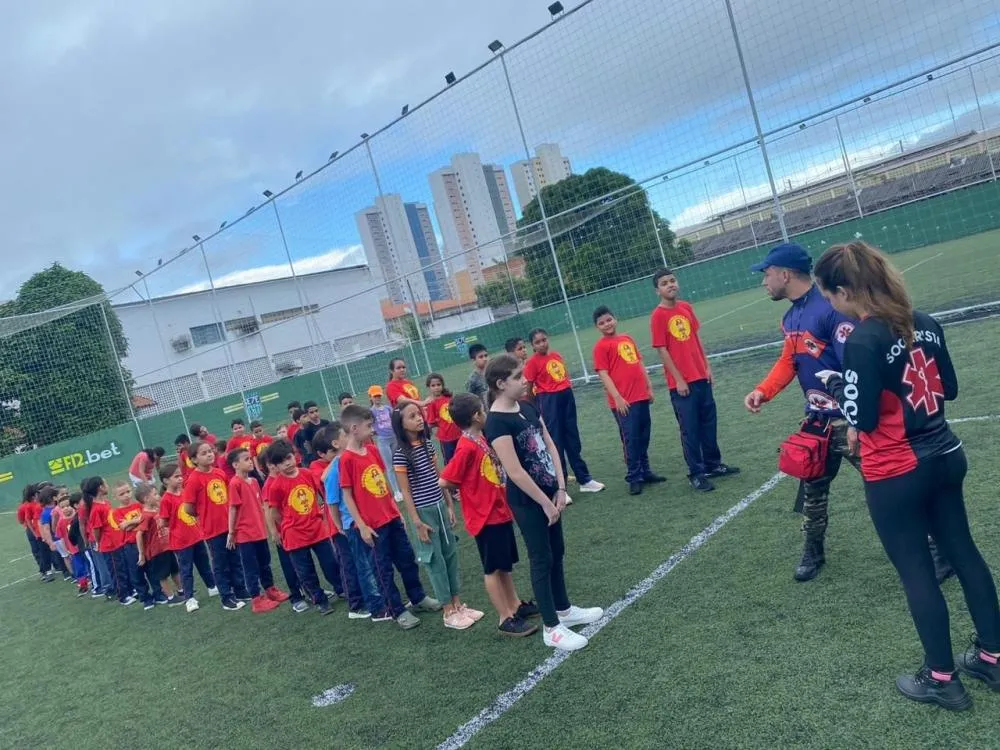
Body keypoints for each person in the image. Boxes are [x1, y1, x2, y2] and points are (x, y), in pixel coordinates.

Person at [813, 241, 1000, 710]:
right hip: (945, 452)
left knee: (917, 572)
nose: (830, 305)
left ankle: (942, 679)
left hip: (898, 468)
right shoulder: (927, 322)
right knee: (965, 554)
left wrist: (836, 386)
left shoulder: (862, 337)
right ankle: (992, 658)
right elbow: (949, 388)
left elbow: (863, 417)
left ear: (844, 290)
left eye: (829, 296)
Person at [744, 243, 896, 582]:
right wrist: (762, 391)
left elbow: (854, 364)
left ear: (785, 274)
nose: (763, 282)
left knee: (886, 484)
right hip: (816, 422)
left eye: (766, 274)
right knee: (813, 491)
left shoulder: (829, 309)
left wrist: (857, 420)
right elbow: (790, 360)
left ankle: (933, 547)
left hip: (849, 420)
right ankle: (813, 550)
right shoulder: (790, 316)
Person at [484, 353, 604, 651]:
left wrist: (561, 488)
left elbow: (549, 444)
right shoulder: (496, 422)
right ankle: (552, 627)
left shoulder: (526, 406)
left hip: (552, 493)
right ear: (501, 383)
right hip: (528, 501)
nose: (525, 380)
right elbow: (514, 471)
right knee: (542, 558)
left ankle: (564, 609)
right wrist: (545, 503)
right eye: (518, 377)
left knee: (557, 551)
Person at [440, 393, 539, 637]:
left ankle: (515, 605)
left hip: (499, 511)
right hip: (484, 517)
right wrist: (468, 495)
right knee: (493, 569)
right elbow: (445, 480)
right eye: (482, 410)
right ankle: (504, 617)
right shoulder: (465, 447)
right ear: (476, 416)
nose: (485, 413)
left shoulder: (479, 439)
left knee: (504, 565)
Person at [339, 404, 441, 629]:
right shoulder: (346, 460)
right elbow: (347, 496)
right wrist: (362, 525)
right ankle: (397, 610)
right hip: (373, 527)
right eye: (368, 426)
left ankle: (418, 597)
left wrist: (395, 510)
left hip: (391, 518)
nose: (373, 429)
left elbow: (382, 484)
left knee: (407, 559)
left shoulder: (373, 450)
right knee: (382, 569)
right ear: (354, 429)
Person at [393, 402, 481, 630]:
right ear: (400, 424)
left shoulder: (427, 445)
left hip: (440, 505)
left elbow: (438, 476)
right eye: (411, 416)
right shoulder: (401, 454)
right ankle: (447, 611)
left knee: (450, 554)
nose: (419, 419)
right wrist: (416, 521)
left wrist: (450, 504)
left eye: (419, 414)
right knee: (435, 561)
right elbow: (405, 491)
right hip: (423, 512)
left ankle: (458, 604)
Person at [650, 268, 740, 492]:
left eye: (672, 280)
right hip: (682, 385)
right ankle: (696, 473)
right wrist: (679, 379)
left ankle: (713, 465)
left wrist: (707, 366)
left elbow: (696, 338)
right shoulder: (658, 316)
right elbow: (662, 350)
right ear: (657, 290)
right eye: (664, 283)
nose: (670, 285)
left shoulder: (686, 307)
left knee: (709, 423)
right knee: (690, 429)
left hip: (701, 377)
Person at [592, 305, 665, 495]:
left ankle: (645, 471)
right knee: (630, 438)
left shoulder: (627, 339)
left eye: (609, 320)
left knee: (643, 434)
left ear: (615, 319)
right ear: (597, 327)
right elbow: (603, 374)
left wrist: (648, 387)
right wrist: (618, 398)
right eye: (601, 323)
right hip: (624, 402)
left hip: (641, 395)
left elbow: (639, 363)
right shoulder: (600, 347)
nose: (607, 324)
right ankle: (634, 476)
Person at [264, 439, 342, 616]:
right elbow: (274, 511)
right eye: (282, 462)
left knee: (330, 562)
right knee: (306, 571)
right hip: (294, 535)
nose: (288, 463)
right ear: (275, 466)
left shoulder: (307, 473)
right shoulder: (275, 486)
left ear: (295, 456)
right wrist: (288, 523)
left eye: (289, 458)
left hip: (317, 529)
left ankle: (341, 588)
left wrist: (319, 511)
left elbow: (320, 493)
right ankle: (320, 600)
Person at [523, 329, 604, 494]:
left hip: (567, 397)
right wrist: (535, 408)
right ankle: (561, 488)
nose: (542, 344)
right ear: (532, 346)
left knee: (573, 439)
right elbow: (529, 389)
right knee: (556, 442)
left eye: (544, 339)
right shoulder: (532, 363)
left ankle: (584, 479)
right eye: (537, 342)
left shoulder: (556, 356)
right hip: (548, 401)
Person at [313, 426, 372, 620]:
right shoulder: (321, 465)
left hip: (353, 522)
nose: (349, 437)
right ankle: (355, 604)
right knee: (349, 564)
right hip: (339, 526)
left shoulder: (346, 459)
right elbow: (323, 479)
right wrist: (339, 456)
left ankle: (370, 596)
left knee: (364, 561)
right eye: (344, 435)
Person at [183, 440, 247, 611]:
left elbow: (228, 495)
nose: (209, 454)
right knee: (220, 564)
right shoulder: (193, 480)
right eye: (203, 453)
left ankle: (240, 590)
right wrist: (204, 514)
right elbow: (188, 507)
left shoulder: (219, 473)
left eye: (210, 451)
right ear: (194, 460)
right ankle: (226, 597)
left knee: (235, 559)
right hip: (212, 530)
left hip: (229, 525)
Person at [227, 448, 287, 613]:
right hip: (245, 534)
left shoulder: (253, 481)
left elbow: (261, 506)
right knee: (250, 566)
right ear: (235, 465)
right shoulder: (235, 483)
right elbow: (232, 508)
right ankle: (256, 599)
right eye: (245, 459)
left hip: (259, 531)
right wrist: (231, 532)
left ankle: (270, 590)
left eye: (249, 458)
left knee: (264, 562)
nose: (250, 462)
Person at [158, 463, 218, 613]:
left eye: (180, 475)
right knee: (186, 569)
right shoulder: (166, 499)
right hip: (181, 541)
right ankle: (189, 598)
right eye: (176, 476)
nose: (180, 479)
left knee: (204, 564)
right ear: (166, 481)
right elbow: (164, 521)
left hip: (196, 536)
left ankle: (212, 586)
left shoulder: (185, 492)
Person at [110, 482, 152, 609]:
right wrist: (138, 521)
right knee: (136, 572)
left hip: (146, 542)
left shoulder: (139, 505)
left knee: (152, 569)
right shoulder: (116, 512)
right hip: (130, 546)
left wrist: (130, 522)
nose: (126, 495)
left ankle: (159, 593)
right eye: (122, 494)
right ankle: (145, 598)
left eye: (128, 492)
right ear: (115, 498)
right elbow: (124, 527)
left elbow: (147, 518)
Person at [135, 483, 178, 606]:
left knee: (175, 569)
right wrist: (142, 554)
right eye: (154, 494)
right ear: (146, 499)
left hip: (167, 547)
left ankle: (181, 590)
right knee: (163, 575)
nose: (158, 496)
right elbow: (139, 534)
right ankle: (170, 597)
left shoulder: (156, 510)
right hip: (157, 551)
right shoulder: (146, 515)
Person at [368, 385, 400, 497]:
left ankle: (403, 486)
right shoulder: (371, 411)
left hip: (394, 438)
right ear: (370, 398)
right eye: (375, 396)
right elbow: (369, 424)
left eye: (379, 396)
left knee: (398, 463)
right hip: (383, 441)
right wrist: (373, 430)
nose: (377, 398)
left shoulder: (388, 408)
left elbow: (394, 420)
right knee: (389, 466)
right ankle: (396, 491)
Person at [425, 373, 461, 463]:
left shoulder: (449, 398)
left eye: (438, 385)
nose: (436, 387)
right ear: (429, 387)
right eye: (433, 385)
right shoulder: (431, 402)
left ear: (442, 385)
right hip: (446, 438)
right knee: (450, 461)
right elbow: (431, 422)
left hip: (459, 434)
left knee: (462, 457)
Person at [296, 401, 331, 467]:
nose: (315, 414)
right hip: (318, 457)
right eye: (311, 412)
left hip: (330, 452)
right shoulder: (307, 429)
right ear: (307, 414)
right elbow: (309, 448)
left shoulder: (326, 423)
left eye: (316, 411)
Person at [465, 343, 490, 407]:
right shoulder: (472, 380)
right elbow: (470, 400)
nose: (485, 359)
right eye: (480, 357)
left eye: (486, 355)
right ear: (473, 360)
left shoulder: (493, 372)